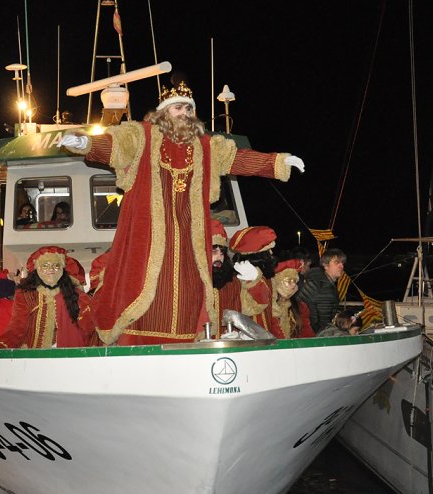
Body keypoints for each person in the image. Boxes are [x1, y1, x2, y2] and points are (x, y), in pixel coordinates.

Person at [58, 80, 305, 345]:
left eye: (189, 109)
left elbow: (238, 159)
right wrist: (85, 142)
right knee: (141, 283)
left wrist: (276, 162)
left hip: (189, 236)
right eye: (178, 108)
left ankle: (186, 339)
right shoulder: (142, 135)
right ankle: (136, 341)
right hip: (147, 234)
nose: (185, 114)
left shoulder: (208, 146)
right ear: (164, 112)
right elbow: (116, 147)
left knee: (190, 288)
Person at [0, 247, 95, 349]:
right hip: (35, 356)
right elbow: (18, 326)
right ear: (37, 269)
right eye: (45, 266)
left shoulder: (76, 295)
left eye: (56, 265)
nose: (51, 269)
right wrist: (0, 347)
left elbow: (90, 326)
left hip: (68, 353)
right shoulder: (26, 294)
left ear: (62, 269)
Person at [229, 226, 285, 339]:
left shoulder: (265, 276)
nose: (272, 252)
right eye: (269, 249)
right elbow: (250, 307)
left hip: (265, 333)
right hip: (248, 335)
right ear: (259, 254)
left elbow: (271, 310)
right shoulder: (243, 276)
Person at [297, 248, 347, 332]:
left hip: (302, 330)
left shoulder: (317, 280)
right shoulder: (324, 287)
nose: (341, 266)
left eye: (342, 263)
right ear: (325, 265)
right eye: (337, 262)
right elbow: (323, 324)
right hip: (311, 335)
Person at [210, 219, 240, 337]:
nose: (219, 257)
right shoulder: (195, 281)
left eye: (222, 252)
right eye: (214, 251)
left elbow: (239, 310)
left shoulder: (232, 282)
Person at [272, 264, 314, 339]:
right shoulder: (270, 308)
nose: (293, 285)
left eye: (295, 281)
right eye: (289, 281)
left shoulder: (300, 306)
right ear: (278, 281)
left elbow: (307, 334)